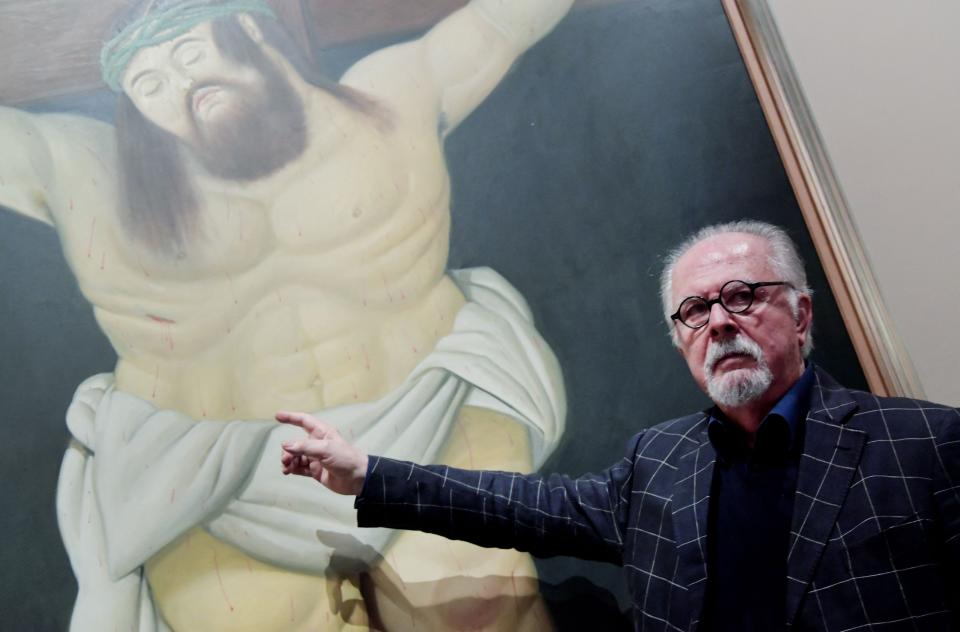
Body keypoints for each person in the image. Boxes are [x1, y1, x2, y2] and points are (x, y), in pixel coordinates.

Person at [0, 0, 574, 630]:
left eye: (190, 56)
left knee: (485, 613)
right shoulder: (86, 174)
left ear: (249, 30)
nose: (185, 89)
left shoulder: (393, 99)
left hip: (426, 424)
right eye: (150, 86)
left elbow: (507, 19)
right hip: (218, 483)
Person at [280, 220, 960, 631]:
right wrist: (369, 473)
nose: (718, 321)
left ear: (803, 315)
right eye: (693, 311)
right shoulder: (659, 461)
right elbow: (526, 508)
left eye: (743, 297)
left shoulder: (926, 445)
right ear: (680, 340)